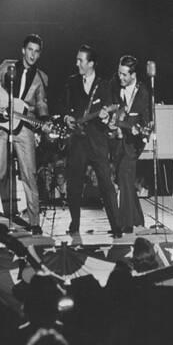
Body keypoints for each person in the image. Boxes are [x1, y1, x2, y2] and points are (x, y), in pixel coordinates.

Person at [0, 34, 50, 236]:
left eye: (36, 51)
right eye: (30, 50)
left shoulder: (41, 78)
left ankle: (34, 222)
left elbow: (41, 104)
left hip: (24, 127)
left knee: (30, 174)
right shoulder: (7, 66)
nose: (32, 54)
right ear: (23, 50)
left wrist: (45, 122)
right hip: (2, 126)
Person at [63, 44, 121, 237]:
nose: (76, 63)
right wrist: (67, 118)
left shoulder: (104, 86)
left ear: (91, 63)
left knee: (106, 183)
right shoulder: (71, 82)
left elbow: (112, 113)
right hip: (77, 142)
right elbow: (66, 107)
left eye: (81, 60)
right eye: (77, 59)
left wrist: (105, 116)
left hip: (97, 142)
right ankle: (75, 224)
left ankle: (116, 226)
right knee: (74, 185)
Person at [110, 55, 151, 233]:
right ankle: (138, 219)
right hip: (120, 139)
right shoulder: (116, 85)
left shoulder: (143, 93)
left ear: (133, 75)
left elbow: (148, 121)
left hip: (135, 141)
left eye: (124, 75)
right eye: (119, 73)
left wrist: (140, 129)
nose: (121, 77)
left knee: (124, 172)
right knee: (123, 177)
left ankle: (125, 223)